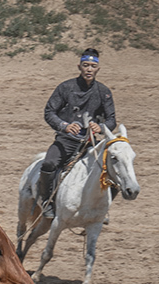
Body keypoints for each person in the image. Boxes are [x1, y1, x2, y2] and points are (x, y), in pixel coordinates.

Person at [37, 48, 116, 219]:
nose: (89, 69)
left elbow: (112, 120)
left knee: (115, 171)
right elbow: (49, 112)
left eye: (93, 66)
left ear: (98, 69)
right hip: (65, 140)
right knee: (49, 164)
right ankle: (46, 202)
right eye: (85, 65)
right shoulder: (65, 87)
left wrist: (101, 128)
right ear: (79, 67)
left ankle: (102, 209)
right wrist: (64, 126)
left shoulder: (104, 92)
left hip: (91, 143)